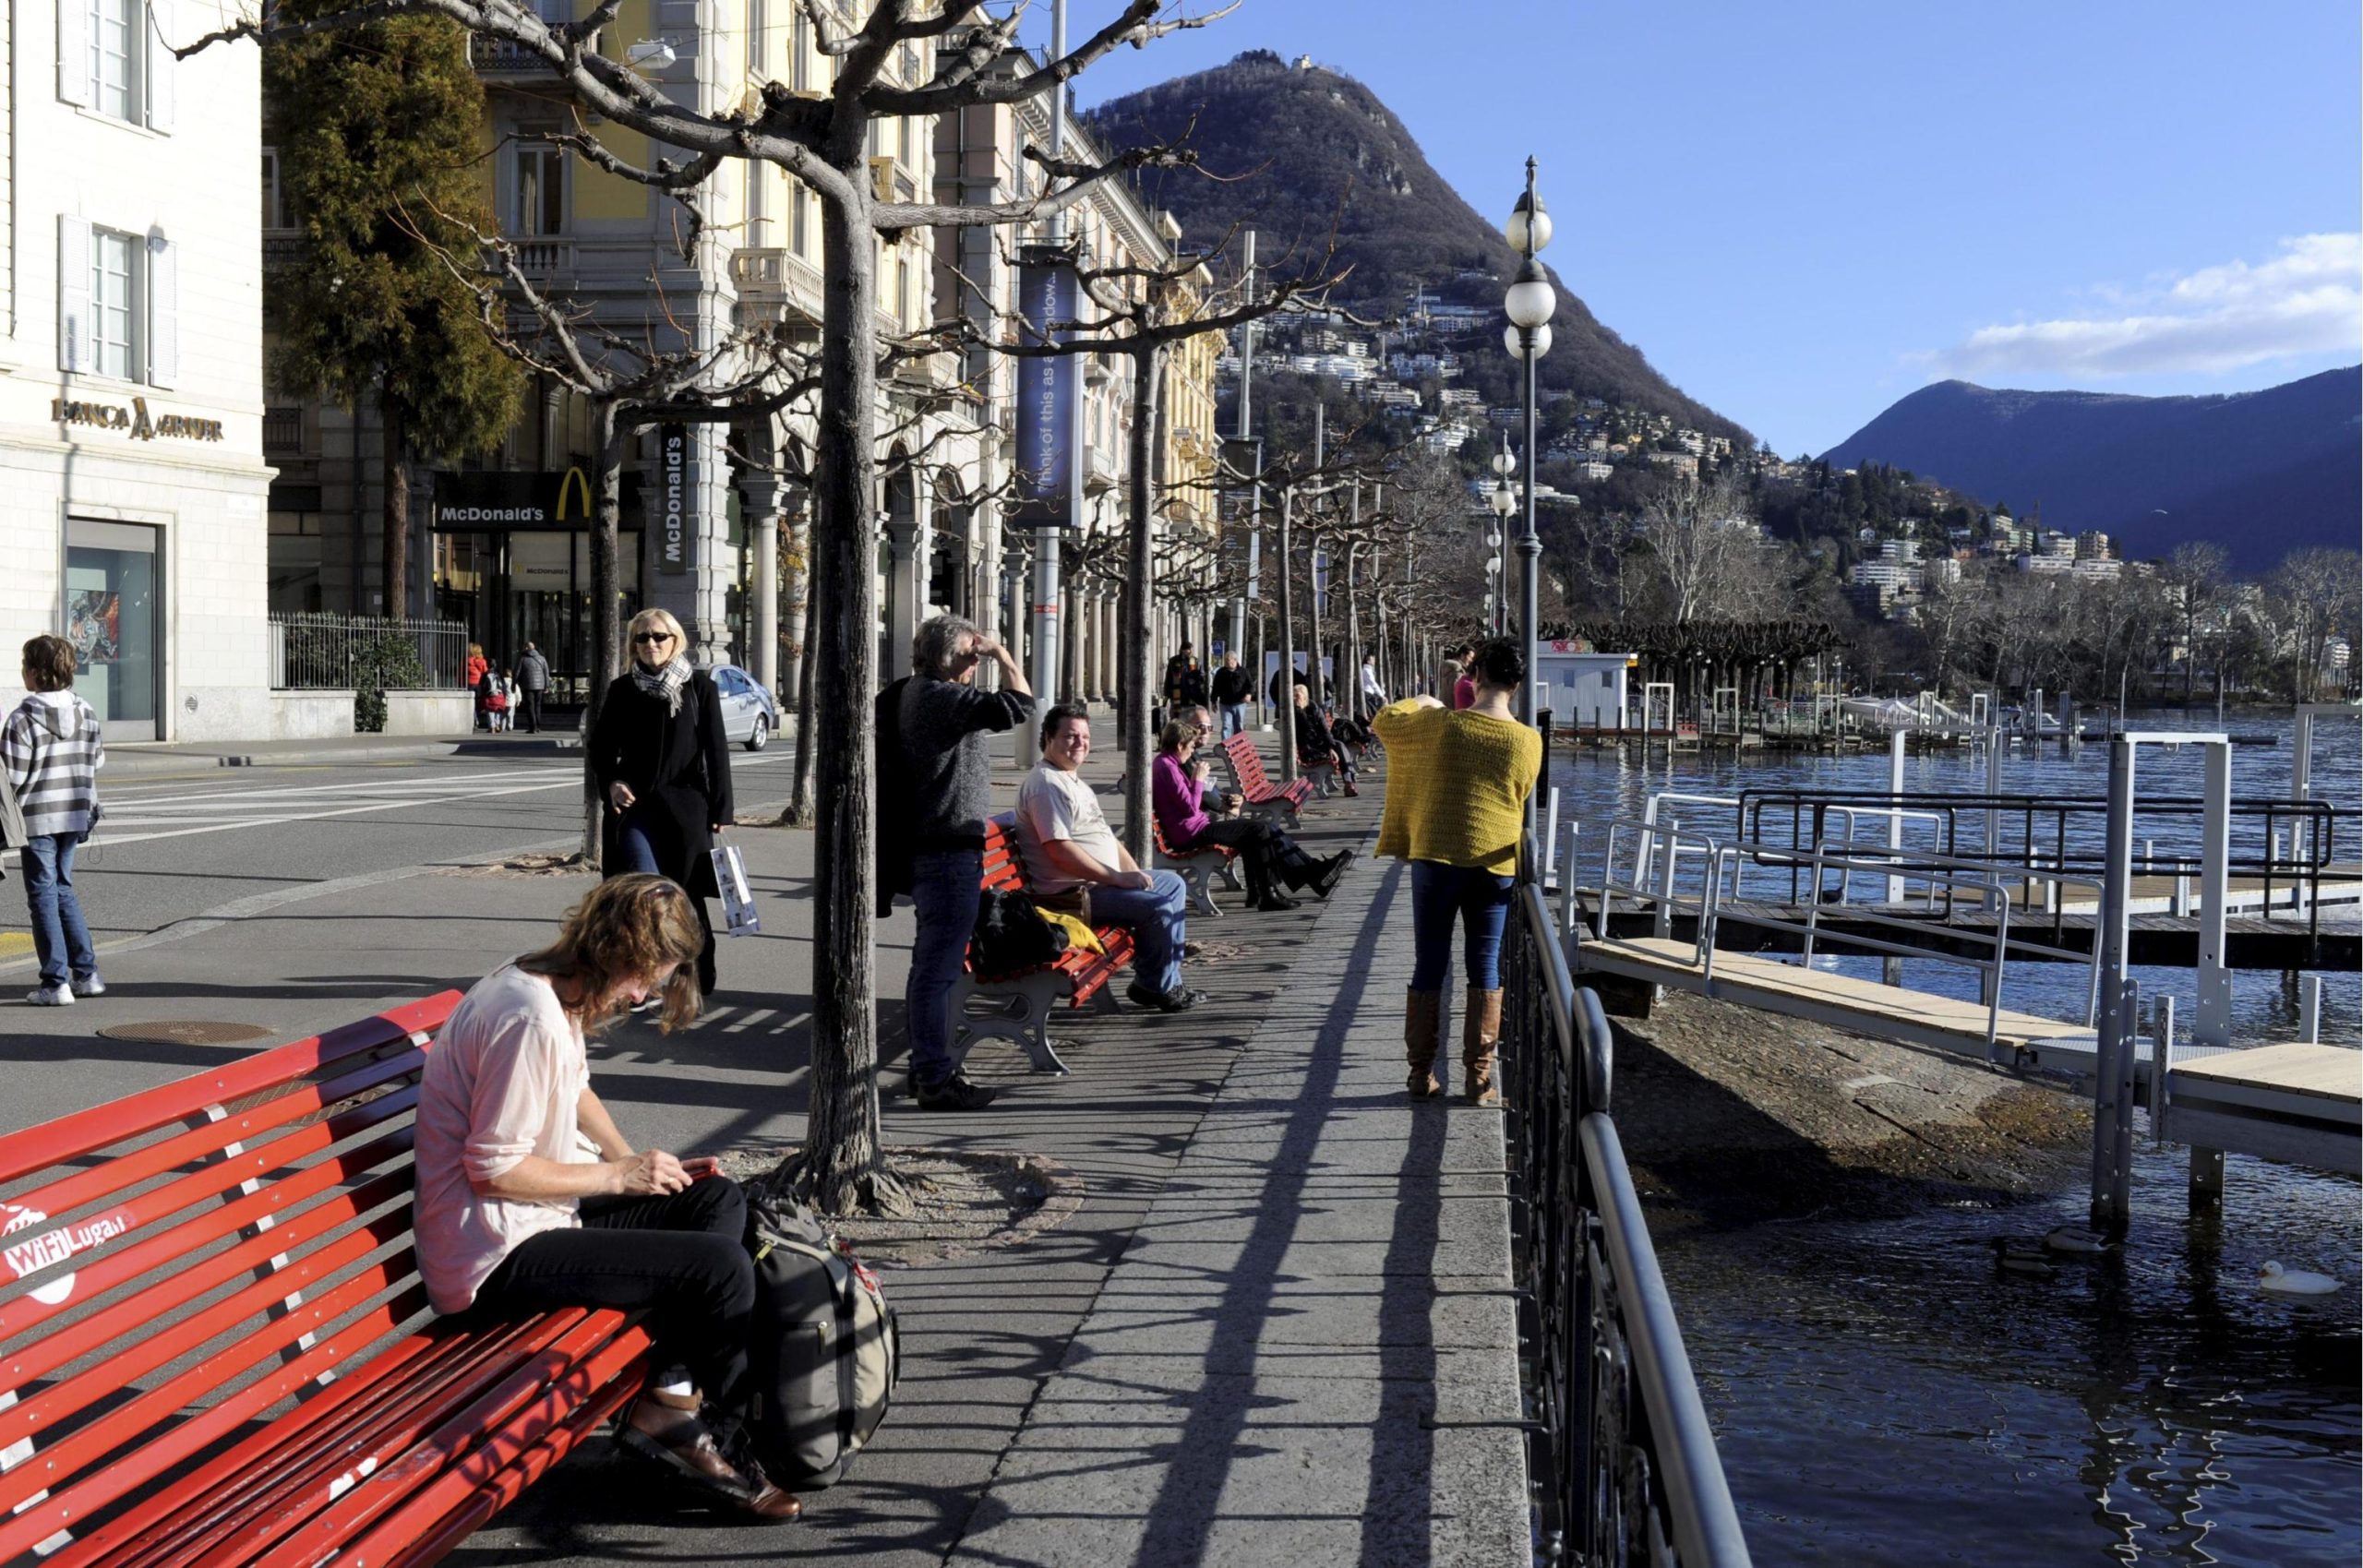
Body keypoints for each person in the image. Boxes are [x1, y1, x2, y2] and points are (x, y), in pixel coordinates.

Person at [414, 875, 799, 1521]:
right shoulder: (527, 1016)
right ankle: (716, 1436)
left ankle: (669, 1399)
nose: (642, 993)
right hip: (492, 1256)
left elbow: (577, 1092)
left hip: (529, 1217)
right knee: (721, 1269)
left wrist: (638, 1163)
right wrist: (618, 1178)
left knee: (716, 1202)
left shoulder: (549, 990)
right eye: (642, 976)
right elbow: (493, 1169)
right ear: (614, 951)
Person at [1373, 637, 1541, 1105]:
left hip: (1436, 861)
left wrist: (1425, 699)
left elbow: (1384, 721)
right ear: (1518, 684)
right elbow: (1523, 795)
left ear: (1477, 676)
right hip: (1495, 866)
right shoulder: (1529, 740)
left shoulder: (1439, 726)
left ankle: (1421, 1074)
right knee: (1483, 965)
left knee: (1430, 961)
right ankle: (1478, 1078)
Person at [875, 614, 1033, 1111]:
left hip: (936, 847)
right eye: (971, 654)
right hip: (944, 851)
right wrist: (1004, 656)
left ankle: (929, 1068)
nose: (975, 663)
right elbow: (1021, 706)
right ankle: (935, 1077)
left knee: (931, 966)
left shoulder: (916, 693)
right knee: (937, 971)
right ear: (950, 658)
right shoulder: (939, 698)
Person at [1014, 703, 1202, 1012]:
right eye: (1070, 736)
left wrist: (1135, 874)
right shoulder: (1046, 785)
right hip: (1073, 896)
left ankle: (1164, 979)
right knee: (1157, 907)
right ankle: (1154, 987)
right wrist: (1117, 878)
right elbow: (1059, 850)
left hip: (1098, 886)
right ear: (1048, 738)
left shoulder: (1070, 779)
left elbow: (1106, 838)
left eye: (1085, 736)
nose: (1080, 743)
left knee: (1171, 885)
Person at [587, 609, 733, 997]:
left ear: (675, 641)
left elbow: (716, 751)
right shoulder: (622, 690)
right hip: (635, 810)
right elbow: (600, 748)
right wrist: (612, 782)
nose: (650, 644)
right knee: (642, 895)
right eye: (641, 638)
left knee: (685, 899)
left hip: (687, 812)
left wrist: (722, 809)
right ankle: (639, 982)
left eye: (658, 636)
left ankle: (699, 975)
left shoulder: (699, 688)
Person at [1153, 719, 1351, 911]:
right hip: (1191, 833)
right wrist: (1198, 780)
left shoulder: (1167, 764)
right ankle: (1272, 893)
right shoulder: (1168, 767)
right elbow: (1189, 808)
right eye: (1190, 746)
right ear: (1180, 745)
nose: (1192, 750)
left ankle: (1269, 889)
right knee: (1259, 831)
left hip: (1193, 828)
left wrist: (1209, 789)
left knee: (1264, 830)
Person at [4, 636, 105, 1006]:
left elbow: (12, 778)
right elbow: (97, 762)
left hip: (38, 818)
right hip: (77, 813)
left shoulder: (21, 719)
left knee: (42, 896)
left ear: (34, 672)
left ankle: (54, 982)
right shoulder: (87, 712)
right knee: (62, 888)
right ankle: (87, 974)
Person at [1292, 683, 1359, 796]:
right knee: (1339, 746)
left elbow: (1324, 729)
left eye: (1297, 696)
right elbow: (1306, 729)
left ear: (1304, 696)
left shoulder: (1313, 707)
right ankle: (1349, 781)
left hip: (1318, 744)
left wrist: (1330, 747)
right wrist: (1299, 709)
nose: (1294, 699)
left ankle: (1348, 782)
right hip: (1307, 748)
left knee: (1338, 745)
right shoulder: (1293, 711)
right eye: (1293, 696)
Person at [1210, 652, 1252, 738]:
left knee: (1239, 726)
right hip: (1225, 703)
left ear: (1235, 660)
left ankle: (1239, 745)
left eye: (1228, 661)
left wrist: (1249, 694)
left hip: (1239, 703)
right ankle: (1226, 746)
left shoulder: (1243, 671)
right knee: (1226, 725)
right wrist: (1213, 701)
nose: (1227, 663)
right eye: (1225, 661)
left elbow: (1250, 685)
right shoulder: (1221, 672)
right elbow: (1216, 688)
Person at [516, 641, 551, 734]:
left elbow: (517, 672)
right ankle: (538, 726)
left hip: (527, 686)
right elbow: (546, 673)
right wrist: (546, 686)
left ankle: (532, 727)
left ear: (527, 648)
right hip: (540, 686)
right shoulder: (542, 658)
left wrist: (513, 684)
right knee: (537, 706)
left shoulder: (522, 658)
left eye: (524, 647)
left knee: (530, 706)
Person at [1164, 642, 1206, 712]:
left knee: (1190, 715)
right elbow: (1168, 678)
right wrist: (1166, 694)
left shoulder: (1195, 661)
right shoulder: (1174, 661)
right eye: (1189, 649)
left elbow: (1202, 676)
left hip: (1191, 693)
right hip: (1176, 692)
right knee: (1176, 714)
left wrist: (1198, 679)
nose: (1191, 651)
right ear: (1183, 650)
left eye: (1191, 649)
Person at [466, 642, 490, 729]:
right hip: (479, 684)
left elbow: (461, 673)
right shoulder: (482, 661)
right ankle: (477, 718)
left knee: (471, 704)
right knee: (478, 703)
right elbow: (486, 672)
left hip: (469, 683)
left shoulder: (467, 661)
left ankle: (475, 720)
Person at [1451, 644, 1478, 711]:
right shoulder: (1458, 671)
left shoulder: (1451, 668)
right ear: (1462, 655)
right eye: (1470, 657)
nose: (1471, 661)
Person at [1359, 654, 1386, 718]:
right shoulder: (1367, 671)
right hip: (1368, 693)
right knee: (1374, 711)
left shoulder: (1368, 670)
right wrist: (1382, 695)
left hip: (1369, 693)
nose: (1374, 661)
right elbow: (1373, 684)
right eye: (1372, 659)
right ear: (1368, 661)